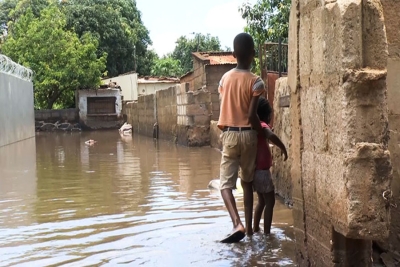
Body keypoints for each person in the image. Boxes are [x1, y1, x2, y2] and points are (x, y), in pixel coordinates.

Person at [218, 33, 266, 243]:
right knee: (247, 183)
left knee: (226, 185)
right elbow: (252, 116)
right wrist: (262, 132)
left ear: (233, 54)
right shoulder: (257, 82)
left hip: (229, 134)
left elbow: (224, 102)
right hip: (249, 135)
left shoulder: (224, 79)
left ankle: (237, 223)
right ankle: (249, 233)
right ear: (253, 55)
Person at [253, 97, 288, 234]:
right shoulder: (262, 126)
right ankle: (267, 233)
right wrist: (283, 148)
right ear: (267, 115)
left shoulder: (254, 127)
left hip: (255, 171)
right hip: (262, 171)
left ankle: (256, 228)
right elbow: (271, 135)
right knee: (271, 201)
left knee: (261, 201)